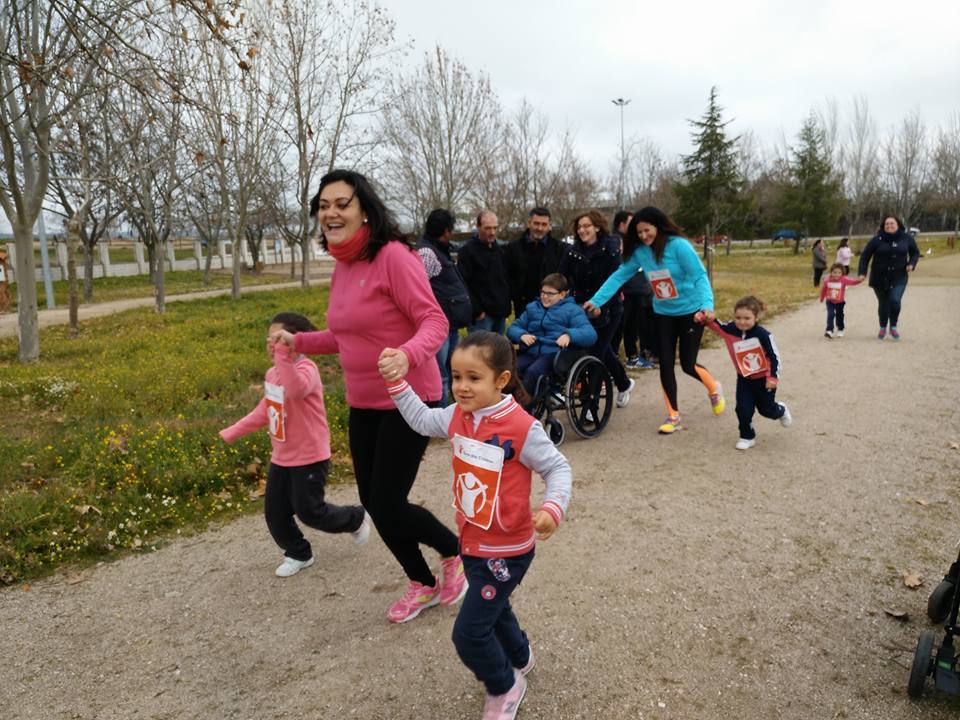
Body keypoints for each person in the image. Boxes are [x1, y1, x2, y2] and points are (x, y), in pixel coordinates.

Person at [270, 169, 465, 623]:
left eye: (341, 203)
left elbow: (434, 322)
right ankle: (430, 574)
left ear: (364, 212)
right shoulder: (342, 267)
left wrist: (407, 354)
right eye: (323, 206)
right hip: (364, 403)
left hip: (409, 399)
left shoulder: (395, 257)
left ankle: (446, 559)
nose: (331, 212)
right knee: (377, 504)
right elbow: (345, 336)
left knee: (387, 502)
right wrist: (298, 343)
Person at [380, 331, 571, 720]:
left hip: (508, 550)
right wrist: (397, 384)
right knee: (494, 609)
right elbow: (420, 419)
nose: (462, 387)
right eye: (456, 376)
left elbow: (557, 467)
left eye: (474, 377)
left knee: (468, 634)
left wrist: (552, 508)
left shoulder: (521, 427)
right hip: (471, 543)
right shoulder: (456, 416)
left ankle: (505, 685)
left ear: (500, 380)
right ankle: (520, 657)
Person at [220, 312, 370, 577]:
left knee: (310, 512)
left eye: (278, 340)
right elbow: (265, 410)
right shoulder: (272, 373)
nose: (272, 345)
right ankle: (298, 552)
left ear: (294, 341)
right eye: (270, 339)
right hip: (282, 456)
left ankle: (356, 518)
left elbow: (296, 390)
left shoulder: (306, 370)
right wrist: (233, 431)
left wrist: (283, 357)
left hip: (311, 456)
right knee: (275, 513)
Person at [584, 206, 724, 435]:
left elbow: (699, 275)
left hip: (690, 312)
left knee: (688, 364)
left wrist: (707, 306)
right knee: (665, 364)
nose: (643, 236)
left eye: (646, 231)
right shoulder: (640, 252)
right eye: (638, 233)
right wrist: (597, 301)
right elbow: (620, 275)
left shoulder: (678, 246)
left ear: (657, 227)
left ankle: (713, 387)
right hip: (663, 314)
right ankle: (674, 416)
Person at [559, 210, 635, 408]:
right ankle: (624, 383)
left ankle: (589, 405)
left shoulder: (610, 249)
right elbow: (563, 277)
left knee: (596, 354)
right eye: (580, 227)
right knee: (604, 349)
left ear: (597, 227)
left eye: (587, 226)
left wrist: (602, 305)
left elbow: (617, 281)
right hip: (581, 309)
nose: (582, 230)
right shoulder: (572, 251)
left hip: (609, 309)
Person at [698, 296, 791, 450]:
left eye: (747, 318)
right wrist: (703, 316)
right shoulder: (730, 330)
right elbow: (713, 323)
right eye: (738, 318)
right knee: (743, 409)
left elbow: (775, 358)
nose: (742, 322)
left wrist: (773, 377)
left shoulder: (763, 335)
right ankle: (747, 436)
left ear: (756, 317)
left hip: (764, 380)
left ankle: (781, 410)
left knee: (766, 410)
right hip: (744, 379)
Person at [506, 273, 597, 397]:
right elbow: (513, 328)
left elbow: (590, 334)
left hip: (555, 354)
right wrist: (521, 335)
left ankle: (525, 408)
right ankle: (504, 406)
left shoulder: (573, 310)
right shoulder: (532, 308)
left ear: (562, 295)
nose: (544, 297)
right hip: (531, 351)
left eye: (550, 294)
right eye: (543, 292)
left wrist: (569, 335)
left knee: (533, 372)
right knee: (508, 370)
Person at [417, 208, 473, 402]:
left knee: (453, 371)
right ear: (446, 231)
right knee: (441, 375)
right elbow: (419, 287)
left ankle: (453, 413)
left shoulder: (439, 249)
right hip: (440, 328)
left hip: (451, 325)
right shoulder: (427, 253)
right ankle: (440, 421)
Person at [858, 214, 920, 340]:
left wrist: (911, 264)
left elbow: (915, 252)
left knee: (895, 300)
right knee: (883, 303)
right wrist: (862, 272)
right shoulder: (876, 240)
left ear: (898, 225)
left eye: (892, 223)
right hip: (879, 277)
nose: (889, 226)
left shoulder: (906, 238)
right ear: (883, 226)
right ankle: (882, 328)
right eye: (887, 224)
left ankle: (893, 327)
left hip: (899, 276)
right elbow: (865, 256)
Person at [609, 210, 657, 370]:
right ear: (622, 224)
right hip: (626, 292)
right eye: (632, 222)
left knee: (632, 327)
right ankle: (613, 359)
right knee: (619, 327)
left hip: (638, 291)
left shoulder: (633, 241)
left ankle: (632, 357)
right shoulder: (616, 241)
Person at [504, 207, 569, 318]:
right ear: (529, 223)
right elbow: (507, 275)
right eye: (536, 223)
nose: (540, 228)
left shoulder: (560, 249)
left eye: (544, 224)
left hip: (552, 307)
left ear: (549, 226)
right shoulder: (513, 248)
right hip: (522, 307)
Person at [458, 211, 512, 335]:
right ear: (478, 227)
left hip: (500, 314)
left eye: (495, 228)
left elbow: (504, 279)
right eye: (487, 228)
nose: (492, 232)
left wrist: (506, 307)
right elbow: (463, 283)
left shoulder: (500, 250)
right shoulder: (467, 251)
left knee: (497, 352)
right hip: (482, 317)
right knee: (481, 353)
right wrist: (476, 310)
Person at [819, 262, 864, 338]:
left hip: (840, 302)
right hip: (830, 301)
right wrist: (822, 298)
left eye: (839, 273)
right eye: (834, 272)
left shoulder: (844, 279)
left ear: (842, 273)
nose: (836, 274)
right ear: (831, 272)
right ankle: (829, 330)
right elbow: (824, 289)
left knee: (839, 316)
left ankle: (841, 329)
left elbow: (853, 282)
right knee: (831, 314)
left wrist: (859, 280)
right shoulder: (827, 280)